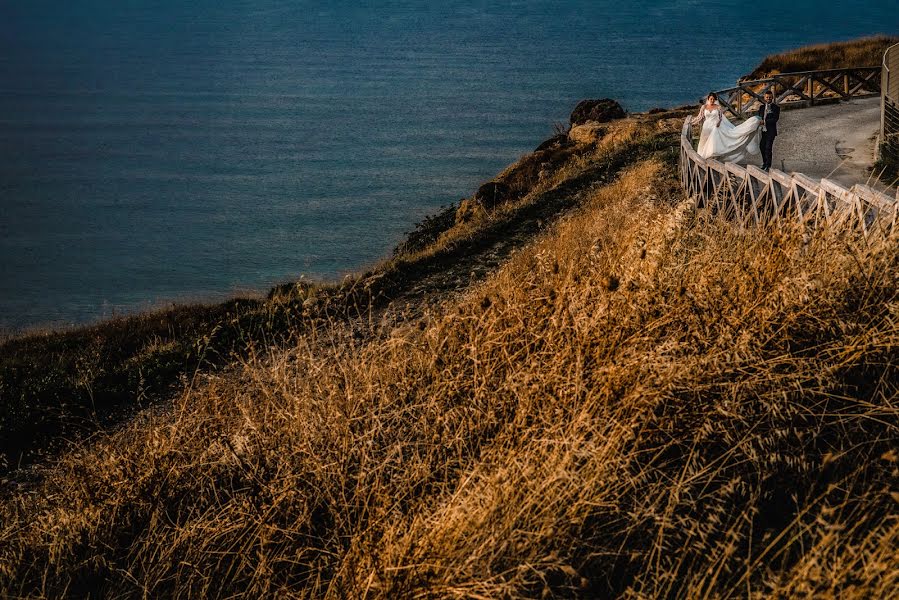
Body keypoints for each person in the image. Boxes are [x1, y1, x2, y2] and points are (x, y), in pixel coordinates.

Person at [692, 93, 762, 163]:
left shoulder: (718, 107)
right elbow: (700, 117)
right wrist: (692, 122)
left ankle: (710, 157)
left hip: (714, 126)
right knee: (703, 142)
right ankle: (701, 157)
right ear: (708, 99)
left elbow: (720, 117)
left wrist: (718, 123)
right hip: (706, 127)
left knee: (713, 143)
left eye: (713, 99)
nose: (712, 100)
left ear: (715, 100)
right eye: (711, 99)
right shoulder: (704, 107)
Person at [756, 90, 781, 171]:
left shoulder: (776, 108)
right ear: (764, 98)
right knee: (762, 147)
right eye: (767, 97)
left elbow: (775, 119)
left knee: (768, 148)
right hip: (763, 131)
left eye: (770, 97)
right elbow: (759, 117)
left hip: (771, 131)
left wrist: (765, 121)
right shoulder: (761, 107)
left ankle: (768, 165)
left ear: (772, 97)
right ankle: (764, 162)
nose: (768, 98)